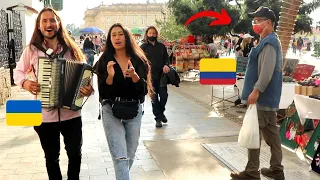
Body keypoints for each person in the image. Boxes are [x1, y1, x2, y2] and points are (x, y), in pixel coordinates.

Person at [13, 7, 93, 180]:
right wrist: (26, 83)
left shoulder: (71, 48)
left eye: (52, 20)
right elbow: (17, 73)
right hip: (44, 116)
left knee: (75, 155)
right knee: (51, 158)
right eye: (44, 21)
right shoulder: (32, 50)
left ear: (58, 24)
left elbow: (84, 76)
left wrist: (88, 89)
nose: (49, 24)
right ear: (39, 26)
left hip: (71, 114)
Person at [231, 7, 284, 180]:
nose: (255, 24)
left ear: (268, 22)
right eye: (254, 20)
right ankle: (277, 169)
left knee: (255, 133)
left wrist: (256, 91)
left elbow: (266, 72)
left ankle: (252, 172)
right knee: (272, 135)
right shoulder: (268, 40)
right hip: (267, 98)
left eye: (258, 20)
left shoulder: (269, 43)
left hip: (262, 97)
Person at [94, 23, 153, 180]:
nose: (117, 38)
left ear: (126, 37)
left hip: (134, 110)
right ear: (109, 39)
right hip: (110, 110)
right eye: (113, 35)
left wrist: (134, 76)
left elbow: (143, 91)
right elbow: (103, 92)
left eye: (120, 34)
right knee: (120, 158)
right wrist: (110, 76)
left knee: (130, 155)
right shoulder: (104, 60)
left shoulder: (139, 60)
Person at [140, 26, 170, 128]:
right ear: (147, 34)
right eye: (150, 33)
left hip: (161, 76)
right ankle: (158, 118)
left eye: (154, 33)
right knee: (154, 99)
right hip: (150, 77)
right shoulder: (143, 47)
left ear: (156, 34)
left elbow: (166, 58)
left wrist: (166, 65)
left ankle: (161, 113)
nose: (152, 35)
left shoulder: (161, 46)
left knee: (164, 96)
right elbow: (140, 61)